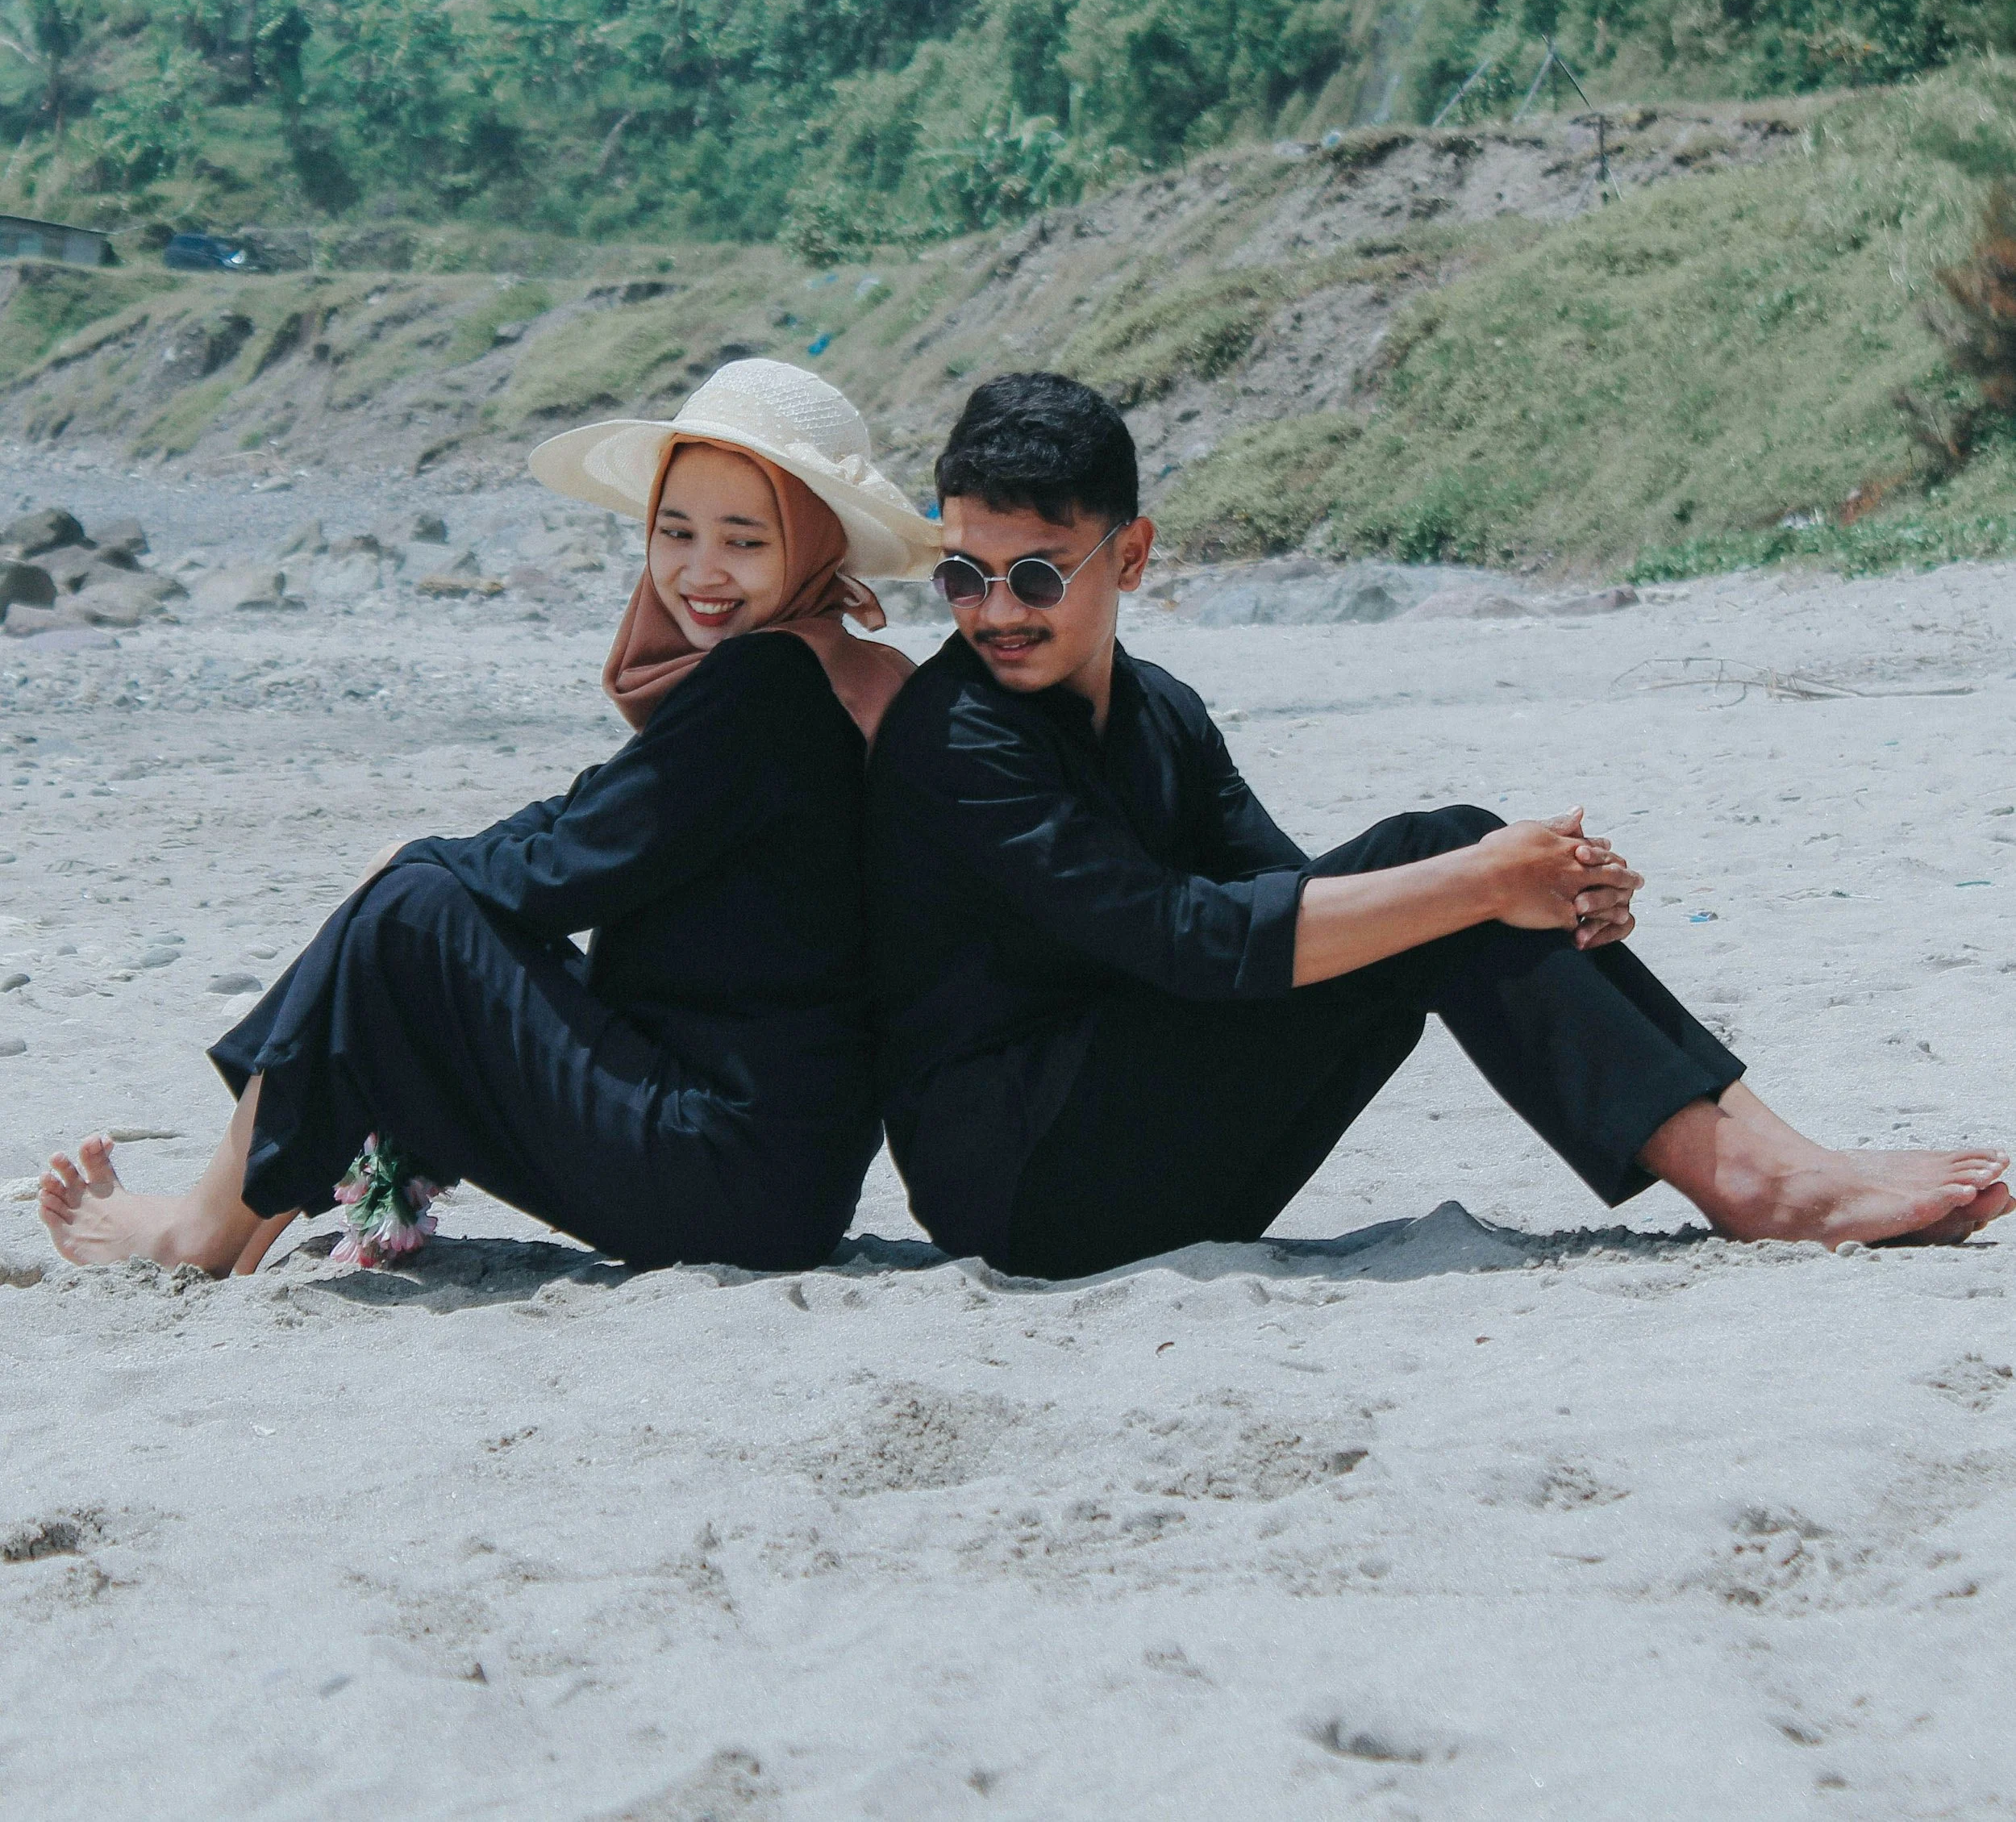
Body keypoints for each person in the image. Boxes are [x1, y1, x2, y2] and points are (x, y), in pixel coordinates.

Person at [865, 371, 2011, 1278]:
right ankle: (1759, 1181)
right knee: (1450, 864)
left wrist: (1535, 883)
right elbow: (1191, 939)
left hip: (1135, 1131)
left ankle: (1774, 1154)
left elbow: (1293, 897)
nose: (994, 612)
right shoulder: (960, 736)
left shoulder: (1160, 707)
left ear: (1133, 553)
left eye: (1032, 576)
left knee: (1452, 855)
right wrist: (1480, 882)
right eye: (962, 575)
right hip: (1029, 1185)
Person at [41, 359, 940, 1278]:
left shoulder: (767, 685)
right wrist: (427, 859)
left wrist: (409, 869)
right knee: (422, 891)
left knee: (406, 914)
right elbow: (599, 812)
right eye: (675, 531)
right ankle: (251, 1202)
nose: (698, 571)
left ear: (814, 545)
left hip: (721, 1172)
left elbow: (566, 869)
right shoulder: (856, 672)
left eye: (745, 542)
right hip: (790, 1175)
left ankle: (204, 1229)